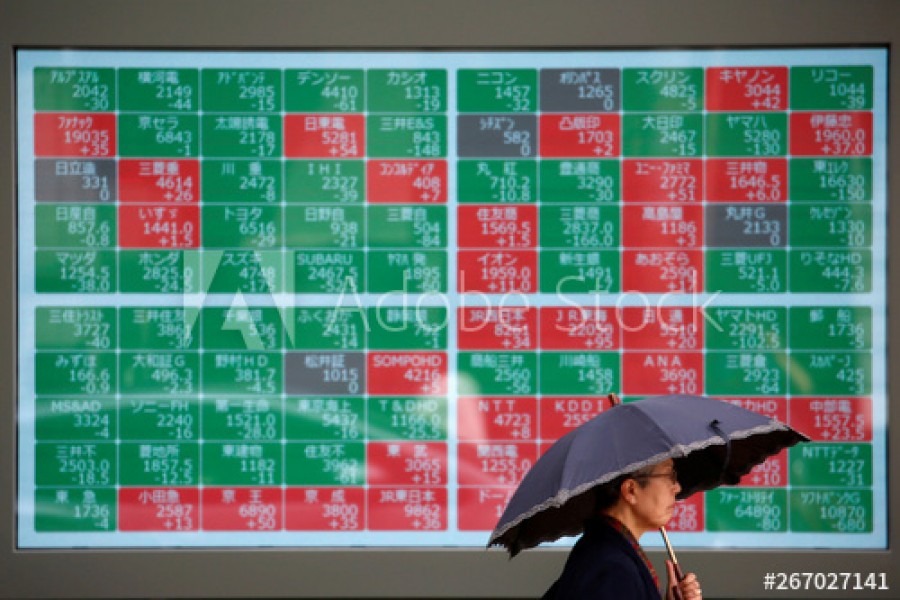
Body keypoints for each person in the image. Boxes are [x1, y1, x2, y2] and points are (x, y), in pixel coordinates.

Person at [542, 458, 703, 599]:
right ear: (630, 490)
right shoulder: (612, 570)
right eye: (669, 476)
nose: (677, 487)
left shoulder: (603, 551)